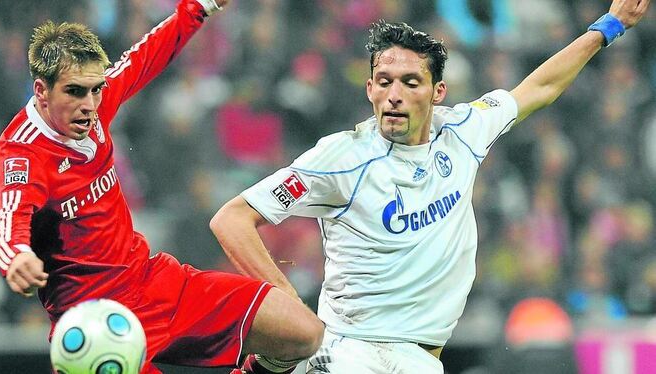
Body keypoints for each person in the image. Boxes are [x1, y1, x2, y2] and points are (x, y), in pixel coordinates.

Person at [210, 0, 651, 372]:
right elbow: (232, 219)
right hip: (354, 355)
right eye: (384, 82)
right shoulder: (342, 157)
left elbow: (540, 86)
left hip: (420, 361)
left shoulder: (465, 130)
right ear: (369, 89)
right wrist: (290, 312)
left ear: (438, 91)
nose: (394, 94)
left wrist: (608, 27)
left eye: (410, 82)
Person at [0, 1, 323, 373]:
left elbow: (145, 55)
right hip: (98, 324)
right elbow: (10, 217)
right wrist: (17, 256)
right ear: (41, 90)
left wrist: (200, 7)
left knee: (303, 333)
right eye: (75, 92)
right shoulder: (23, 155)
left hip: (155, 282)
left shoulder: (95, 105)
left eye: (96, 90)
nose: (89, 105)